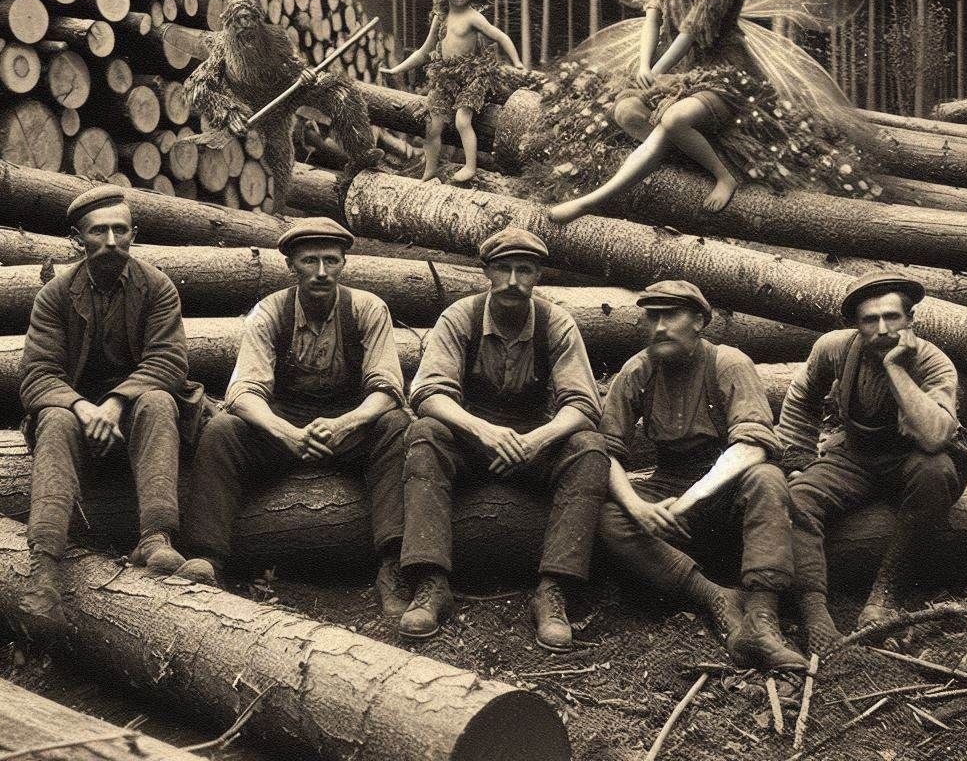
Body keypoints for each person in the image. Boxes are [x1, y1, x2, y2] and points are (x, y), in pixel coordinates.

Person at [543, 0, 872, 223]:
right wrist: (642, 66)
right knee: (626, 113)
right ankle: (686, 157)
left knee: (673, 118)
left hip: (722, 68)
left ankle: (715, 175)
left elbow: (693, 28)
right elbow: (654, 15)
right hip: (675, 66)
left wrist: (657, 70)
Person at [179, 218, 411, 617]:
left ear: (343, 264)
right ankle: (207, 557)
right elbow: (243, 391)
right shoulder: (270, 311)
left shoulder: (369, 308)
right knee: (222, 430)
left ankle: (392, 564)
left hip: (348, 424)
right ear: (290, 265)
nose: (322, 272)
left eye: (331, 261)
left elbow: (387, 389)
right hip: (285, 421)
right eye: (310, 261)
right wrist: (285, 432)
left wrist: (346, 424)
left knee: (395, 428)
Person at [398, 227, 608, 651]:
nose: (514, 281)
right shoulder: (461, 317)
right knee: (424, 434)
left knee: (590, 449)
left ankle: (553, 591)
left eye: (524, 270)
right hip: (471, 437)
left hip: (534, 442)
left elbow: (584, 404)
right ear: (487, 273)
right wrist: (483, 432)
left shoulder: (556, 323)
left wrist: (538, 440)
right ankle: (431, 582)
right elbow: (427, 392)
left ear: (538, 276)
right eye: (504, 269)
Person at [19, 186, 207, 636]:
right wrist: (84, 407)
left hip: (137, 414)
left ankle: (156, 537)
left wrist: (115, 403)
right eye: (97, 231)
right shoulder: (56, 295)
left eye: (119, 230)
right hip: (78, 419)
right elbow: (37, 373)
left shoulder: (157, 287)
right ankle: (43, 571)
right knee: (56, 417)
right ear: (76, 239)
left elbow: (169, 361)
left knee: (160, 397)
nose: (110, 241)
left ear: (134, 234)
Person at [597, 280, 807, 670]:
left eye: (671, 315)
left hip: (725, 486)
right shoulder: (638, 370)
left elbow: (752, 445)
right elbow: (604, 451)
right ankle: (715, 597)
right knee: (607, 514)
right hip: (669, 482)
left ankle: (762, 617)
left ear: (699, 321)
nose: (659, 327)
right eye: (652, 316)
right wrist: (638, 508)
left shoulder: (728, 362)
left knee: (768, 478)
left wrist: (690, 499)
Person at [778, 273, 967, 656]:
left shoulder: (934, 363)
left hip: (914, 458)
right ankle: (815, 611)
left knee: (935, 471)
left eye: (892, 317)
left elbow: (935, 436)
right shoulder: (833, 349)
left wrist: (896, 368)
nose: (882, 328)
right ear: (855, 324)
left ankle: (886, 594)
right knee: (797, 497)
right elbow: (802, 398)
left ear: (910, 319)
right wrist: (798, 458)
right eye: (870, 320)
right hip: (856, 455)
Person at [184, 0, 384, 213]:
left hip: (286, 93)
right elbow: (195, 85)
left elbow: (293, 66)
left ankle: (361, 153)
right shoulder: (221, 47)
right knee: (279, 161)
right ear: (228, 24)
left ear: (257, 18)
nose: (244, 26)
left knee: (339, 89)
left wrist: (304, 73)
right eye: (237, 21)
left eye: (249, 18)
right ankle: (277, 212)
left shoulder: (275, 36)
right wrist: (228, 112)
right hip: (255, 109)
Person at [380, 0, 525, 184]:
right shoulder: (441, 18)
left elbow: (501, 36)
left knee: (461, 121)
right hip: (445, 78)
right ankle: (429, 171)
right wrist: (395, 69)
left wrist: (517, 63)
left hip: (472, 77)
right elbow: (424, 51)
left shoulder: (473, 17)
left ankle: (470, 167)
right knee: (433, 126)